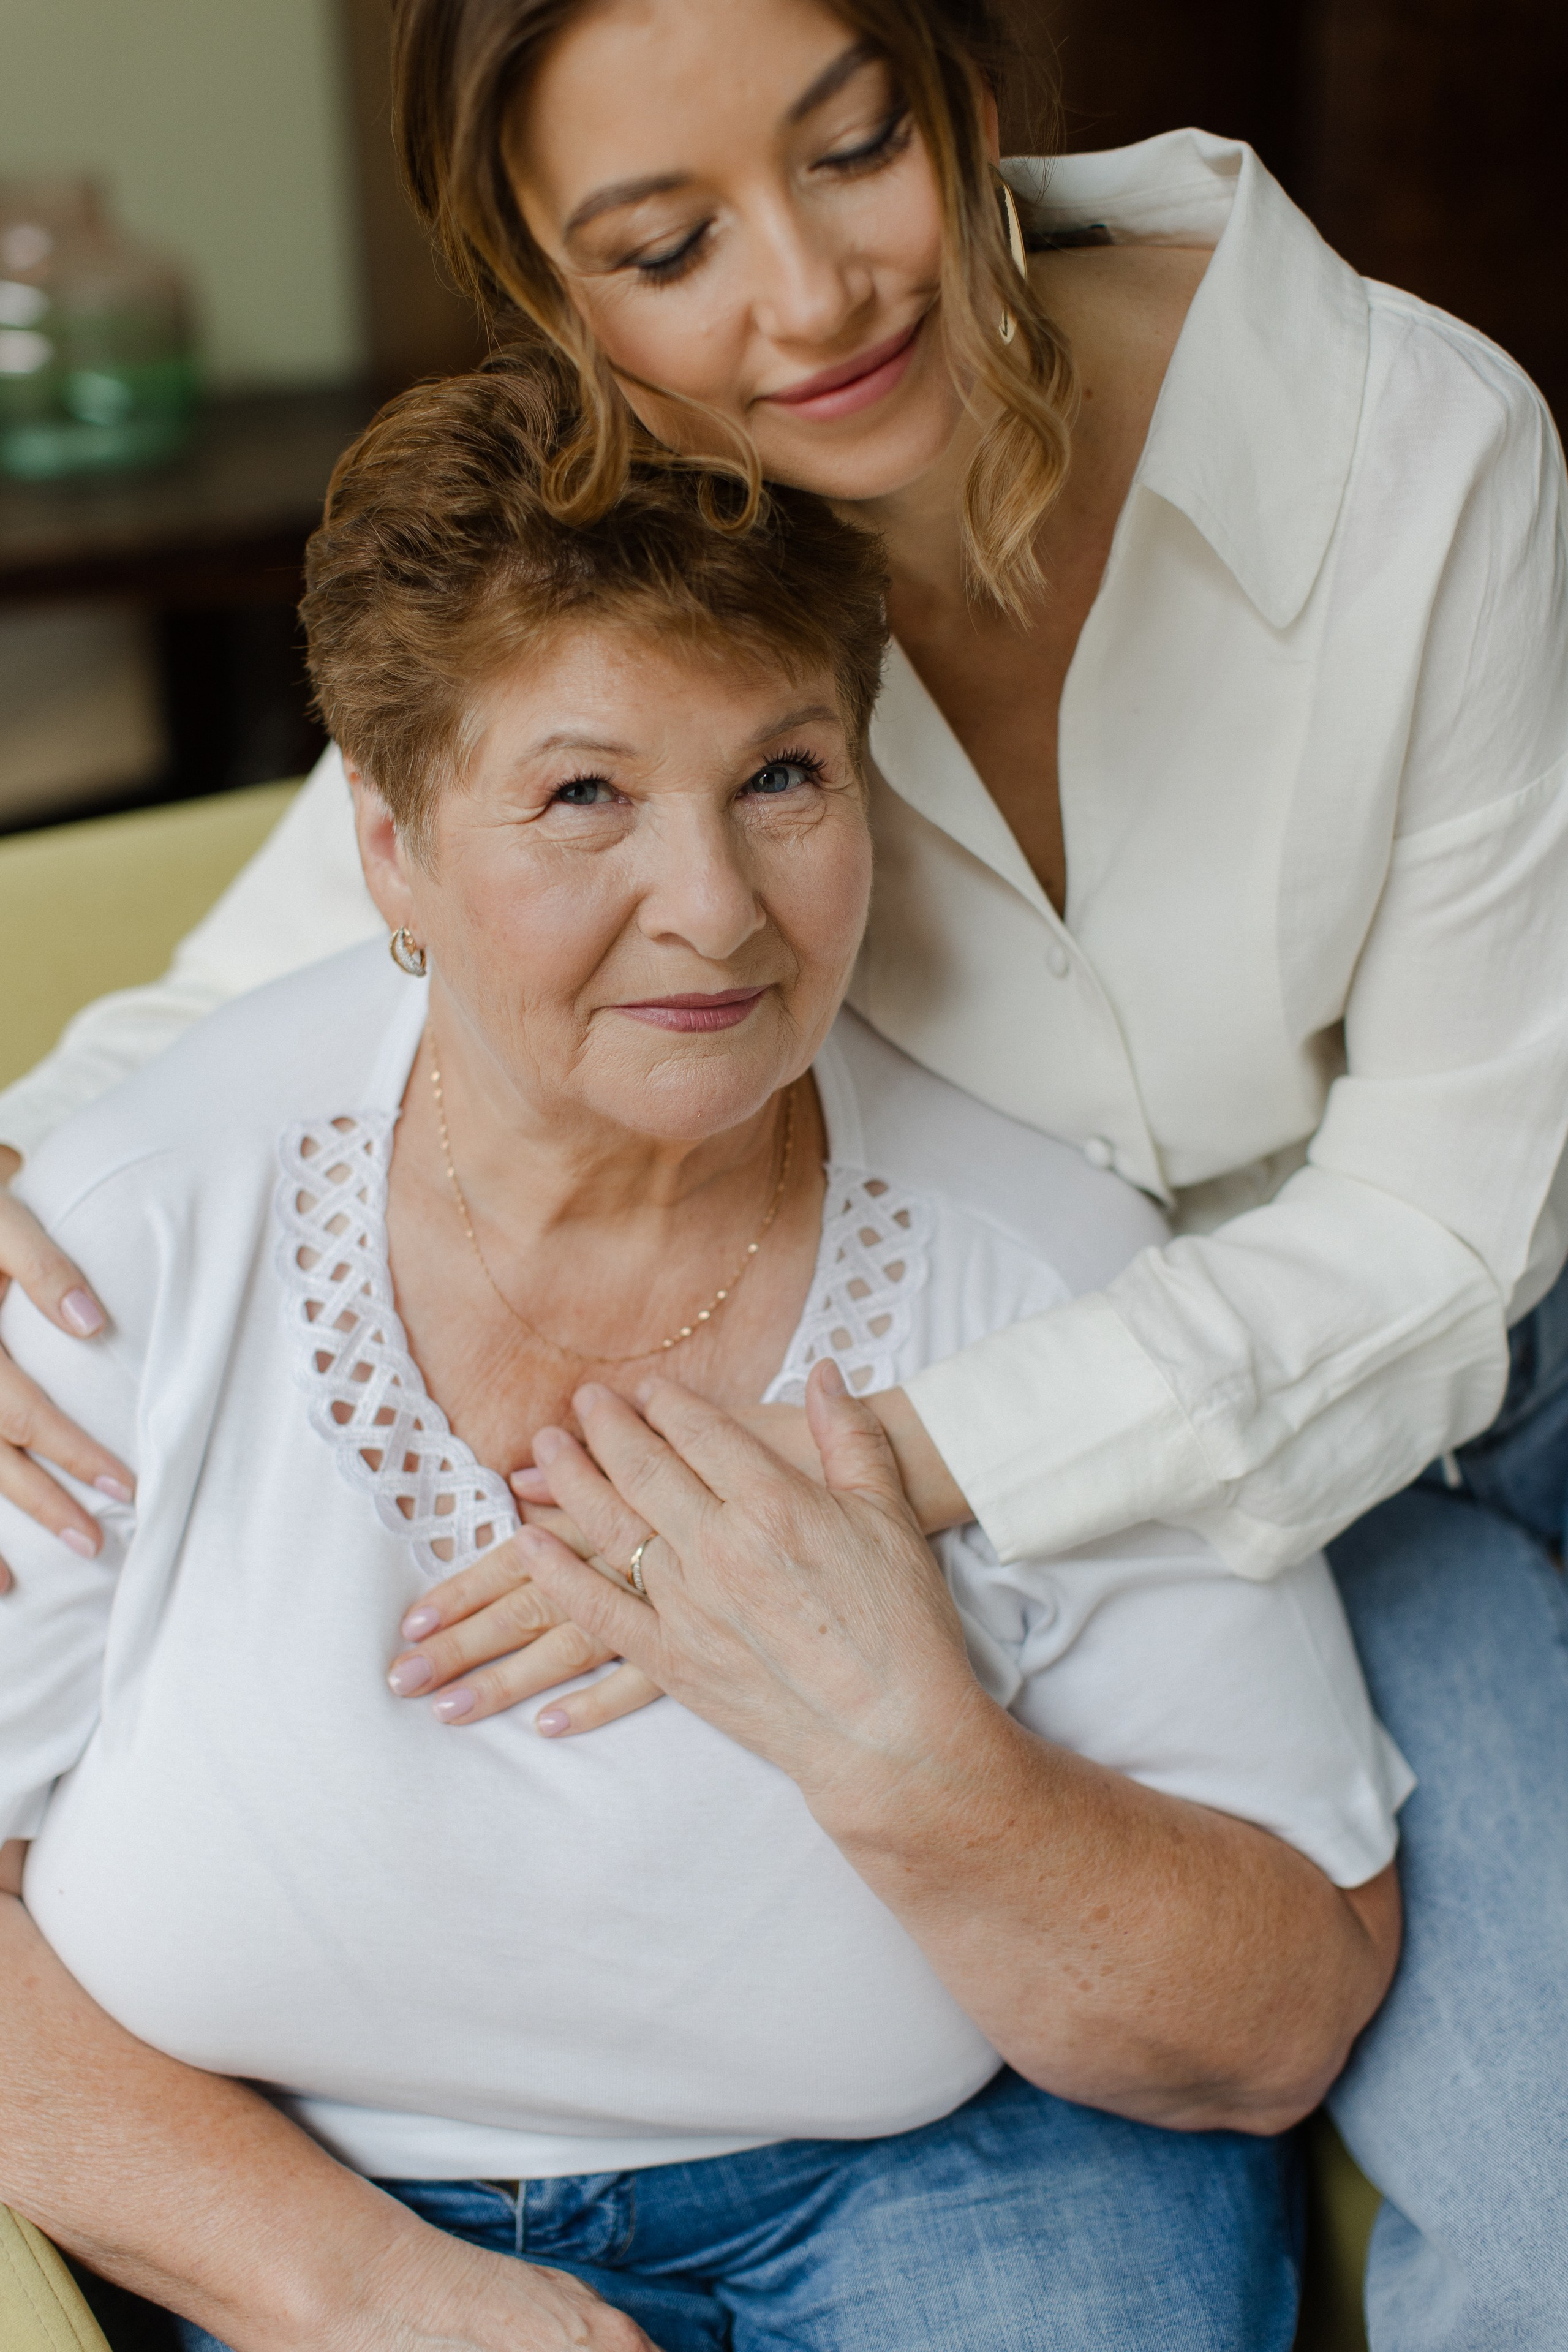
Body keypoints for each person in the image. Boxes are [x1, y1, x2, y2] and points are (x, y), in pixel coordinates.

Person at [0, 1, 1564, 2342]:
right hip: (1170, 1479)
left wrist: (869, 1482)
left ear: (962, 97)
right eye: (665, 240)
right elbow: (340, 936)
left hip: (1468, 1379)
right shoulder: (677, 584)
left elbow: (1451, 1225)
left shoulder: (1407, 447)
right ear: (562, 306)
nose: (816, 296)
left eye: (858, 151)